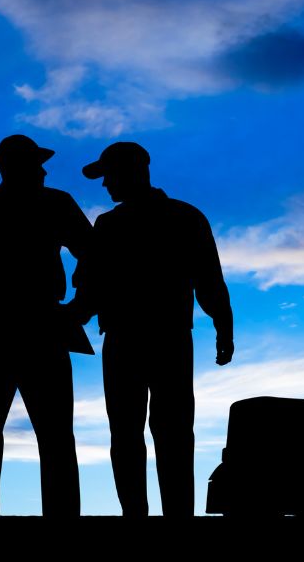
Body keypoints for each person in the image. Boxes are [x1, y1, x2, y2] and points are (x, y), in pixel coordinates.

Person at [72, 141, 233, 517]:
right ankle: (150, 515)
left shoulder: (130, 223)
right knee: (144, 432)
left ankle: (157, 516)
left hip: (153, 339)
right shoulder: (175, 217)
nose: (105, 185)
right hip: (154, 339)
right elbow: (92, 287)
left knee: (159, 431)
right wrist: (223, 328)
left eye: (109, 176)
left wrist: (223, 327)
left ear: (132, 172)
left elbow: (208, 279)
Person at [0, 134, 91, 517]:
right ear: (19, 166)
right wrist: (81, 305)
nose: (44, 169)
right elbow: (95, 254)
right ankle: (58, 517)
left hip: (7, 325)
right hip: (28, 325)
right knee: (46, 433)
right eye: (36, 163)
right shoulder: (53, 204)